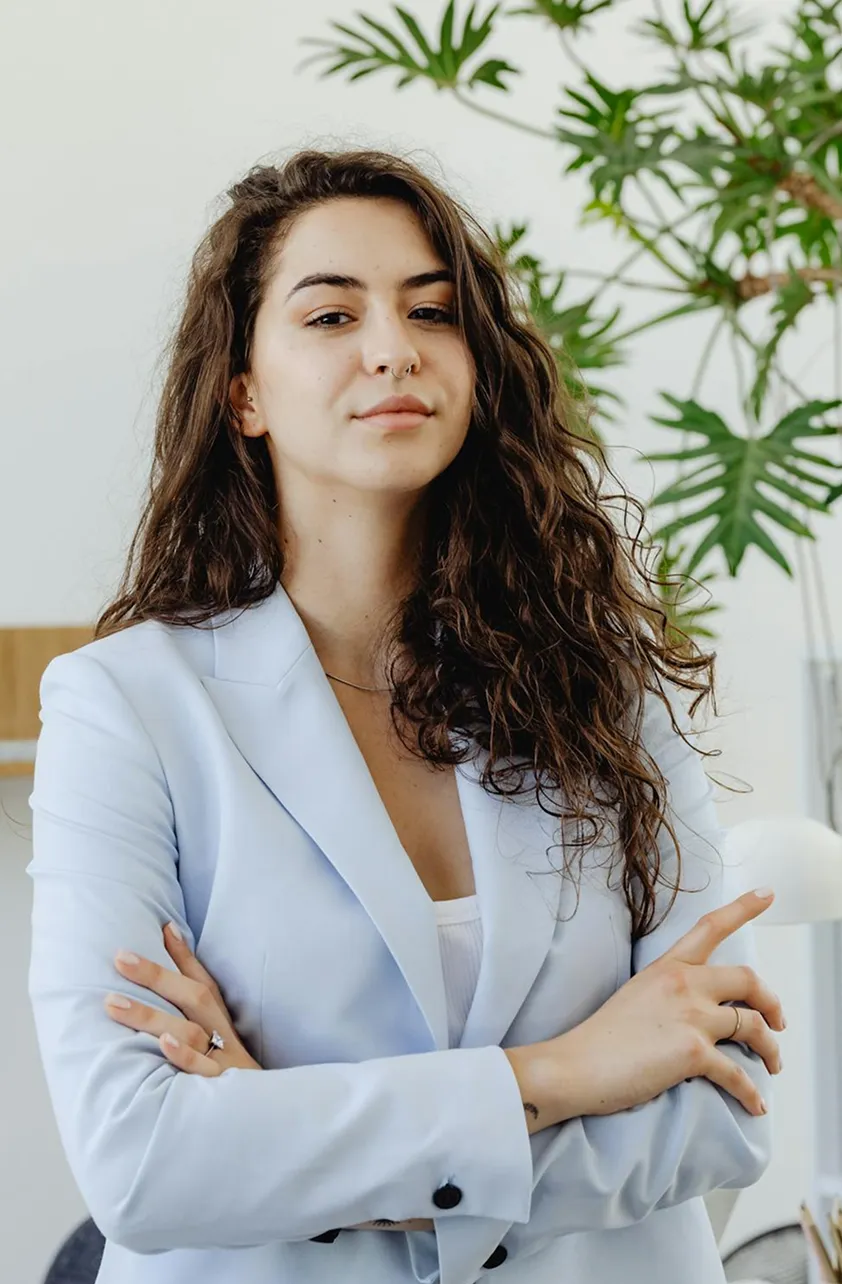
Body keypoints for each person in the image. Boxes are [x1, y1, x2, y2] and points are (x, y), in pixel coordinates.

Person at [27, 147, 783, 1284]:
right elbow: (141, 1165)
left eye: (431, 310)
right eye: (330, 315)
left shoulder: (602, 686)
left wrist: (291, 1146)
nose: (392, 346)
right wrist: (564, 1073)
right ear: (242, 392)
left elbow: (718, 1113)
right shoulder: (126, 707)